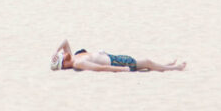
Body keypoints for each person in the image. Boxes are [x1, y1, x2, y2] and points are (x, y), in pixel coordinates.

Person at [50, 40, 185, 72]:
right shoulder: (77, 63)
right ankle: (173, 68)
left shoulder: (74, 56)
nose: (64, 53)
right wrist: (122, 70)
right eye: (62, 56)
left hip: (113, 57)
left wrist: (55, 52)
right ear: (63, 63)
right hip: (116, 63)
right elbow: (100, 68)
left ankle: (167, 65)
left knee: (144, 63)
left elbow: (65, 41)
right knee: (146, 62)